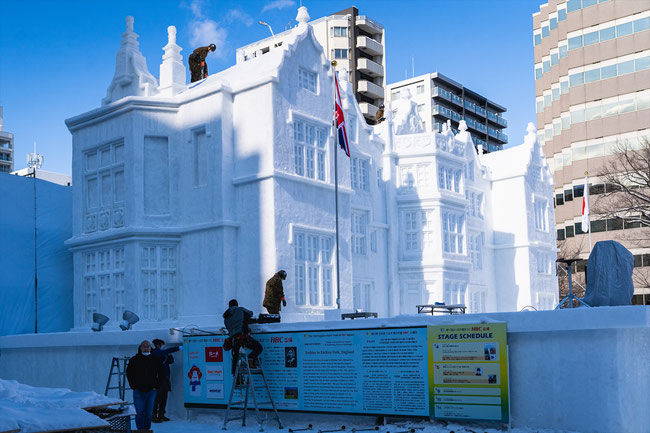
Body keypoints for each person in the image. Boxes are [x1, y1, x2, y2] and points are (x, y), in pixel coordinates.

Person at [126, 340, 164, 431]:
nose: (146, 348)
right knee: (139, 412)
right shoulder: (134, 359)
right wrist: (133, 386)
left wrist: (157, 386)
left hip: (151, 391)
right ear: (140, 348)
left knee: (149, 413)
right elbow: (129, 373)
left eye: (148, 346)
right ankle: (140, 430)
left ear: (150, 348)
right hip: (138, 390)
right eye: (144, 346)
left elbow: (162, 373)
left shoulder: (155, 359)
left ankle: (146, 430)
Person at [223, 299, 262, 375]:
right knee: (258, 347)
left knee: (235, 358)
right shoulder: (240, 309)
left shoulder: (226, 318)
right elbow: (250, 314)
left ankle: (236, 379)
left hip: (234, 340)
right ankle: (250, 360)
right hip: (243, 337)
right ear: (236, 305)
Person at [151, 339, 180, 423]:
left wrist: (169, 354)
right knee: (157, 398)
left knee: (164, 397)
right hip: (158, 378)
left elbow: (170, 361)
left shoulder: (162, 353)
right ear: (159, 345)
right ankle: (154, 415)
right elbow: (163, 353)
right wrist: (178, 348)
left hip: (166, 377)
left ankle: (161, 414)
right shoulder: (156, 352)